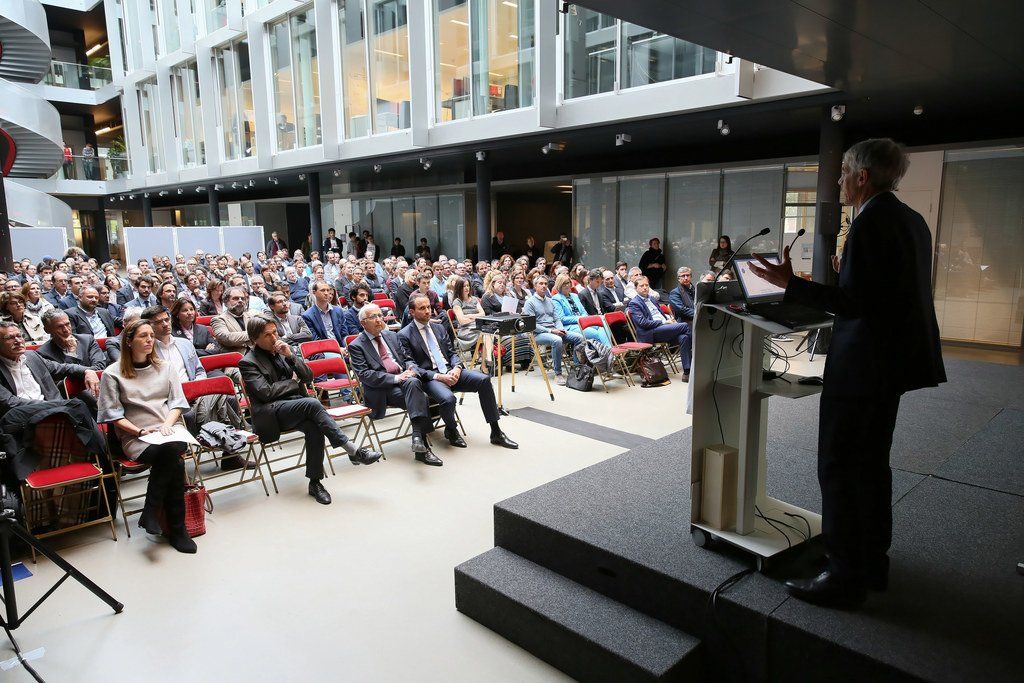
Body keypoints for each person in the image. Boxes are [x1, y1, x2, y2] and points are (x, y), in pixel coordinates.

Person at [749, 138, 945, 608]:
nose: (837, 183)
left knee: (839, 467)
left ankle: (843, 576)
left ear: (862, 176)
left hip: (863, 369)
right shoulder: (910, 219)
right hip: (891, 366)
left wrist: (790, 284)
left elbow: (854, 304)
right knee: (873, 467)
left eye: (842, 175)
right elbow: (886, 292)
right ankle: (871, 563)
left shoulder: (871, 223)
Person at [240, 314, 382, 504]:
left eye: (275, 332)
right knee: (313, 403)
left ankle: (315, 483)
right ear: (254, 339)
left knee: (314, 427)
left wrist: (291, 356)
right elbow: (265, 393)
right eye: (268, 335)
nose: (274, 338)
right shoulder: (248, 362)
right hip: (271, 414)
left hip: (296, 407)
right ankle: (352, 449)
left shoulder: (282, 351)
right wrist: (292, 382)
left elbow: (308, 377)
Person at [97, 319, 196, 552]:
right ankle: (177, 529)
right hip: (136, 436)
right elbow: (112, 415)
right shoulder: (113, 374)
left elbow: (177, 403)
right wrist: (140, 431)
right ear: (129, 341)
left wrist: (167, 426)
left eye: (151, 335)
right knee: (174, 460)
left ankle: (151, 512)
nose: (150, 339)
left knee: (172, 448)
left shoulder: (166, 367)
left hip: (168, 429)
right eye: (143, 336)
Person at [399, 293, 517, 451]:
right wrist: (439, 376)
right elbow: (411, 366)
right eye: (422, 308)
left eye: (428, 307)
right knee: (448, 399)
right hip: (431, 378)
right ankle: (451, 429)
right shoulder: (404, 335)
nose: (427, 311)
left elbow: (452, 353)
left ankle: (496, 432)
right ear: (412, 312)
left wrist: (457, 367)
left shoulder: (439, 327)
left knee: (483, 380)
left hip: (450, 370)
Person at [347, 304, 441, 466]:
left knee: (413, 383)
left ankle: (418, 438)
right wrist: (397, 378)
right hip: (382, 390)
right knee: (421, 396)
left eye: (380, 316)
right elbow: (366, 376)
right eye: (373, 317)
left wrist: (411, 368)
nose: (378, 320)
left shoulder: (391, 335)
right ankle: (421, 445)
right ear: (363, 323)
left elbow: (407, 358)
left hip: (406, 381)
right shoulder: (357, 345)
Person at [626, 277, 691, 381]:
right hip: (650, 333)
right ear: (636, 288)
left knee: (684, 337)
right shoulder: (634, 303)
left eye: (646, 285)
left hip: (664, 329)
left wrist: (669, 319)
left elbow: (661, 315)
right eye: (641, 286)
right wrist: (664, 322)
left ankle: (687, 372)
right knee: (685, 326)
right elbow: (643, 323)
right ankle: (697, 358)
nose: (645, 288)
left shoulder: (652, 299)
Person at [524, 275, 584, 386]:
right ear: (535, 286)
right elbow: (532, 325)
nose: (544, 286)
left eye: (545, 284)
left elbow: (557, 318)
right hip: (538, 333)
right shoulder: (530, 302)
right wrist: (552, 331)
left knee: (579, 337)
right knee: (557, 340)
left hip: (554, 330)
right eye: (540, 284)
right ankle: (558, 373)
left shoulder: (550, 300)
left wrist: (560, 328)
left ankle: (576, 368)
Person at [552, 274, 610, 346]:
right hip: (571, 326)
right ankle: (608, 353)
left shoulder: (575, 296)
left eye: (568, 283)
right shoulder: (556, 299)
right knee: (596, 334)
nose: (567, 285)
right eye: (564, 284)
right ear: (559, 285)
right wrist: (579, 319)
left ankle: (608, 351)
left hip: (584, 321)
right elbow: (562, 319)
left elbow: (583, 312)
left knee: (603, 324)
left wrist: (584, 318)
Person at [450, 277, 493, 373]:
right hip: (466, 331)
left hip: (478, 328)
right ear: (458, 288)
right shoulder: (457, 302)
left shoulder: (474, 299)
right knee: (486, 333)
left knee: (488, 333)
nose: (466, 288)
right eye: (463, 286)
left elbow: (483, 314)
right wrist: (476, 317)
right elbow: (461, 321)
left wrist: (469, 315)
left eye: (468, 285)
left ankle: (487, 361)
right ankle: (486, 363)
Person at [301, 281, 348, 347]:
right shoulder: (307, 316)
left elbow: (344, 334)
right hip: (324, 349)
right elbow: (316, 340)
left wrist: (346, 348)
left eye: (328, 290)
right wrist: (337, 349)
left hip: (341, 346)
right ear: (314, 293)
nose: (326, 293)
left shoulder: (338, 310)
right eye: (323, 290)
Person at [211, 287, 255, 354]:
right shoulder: (218, 319)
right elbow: (227, 338)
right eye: (235, 298)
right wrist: (254, 334)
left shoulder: (252, 315)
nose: (240, 301)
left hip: (256, 352)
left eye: (243, 298)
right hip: (237, 357)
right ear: (226, 302)